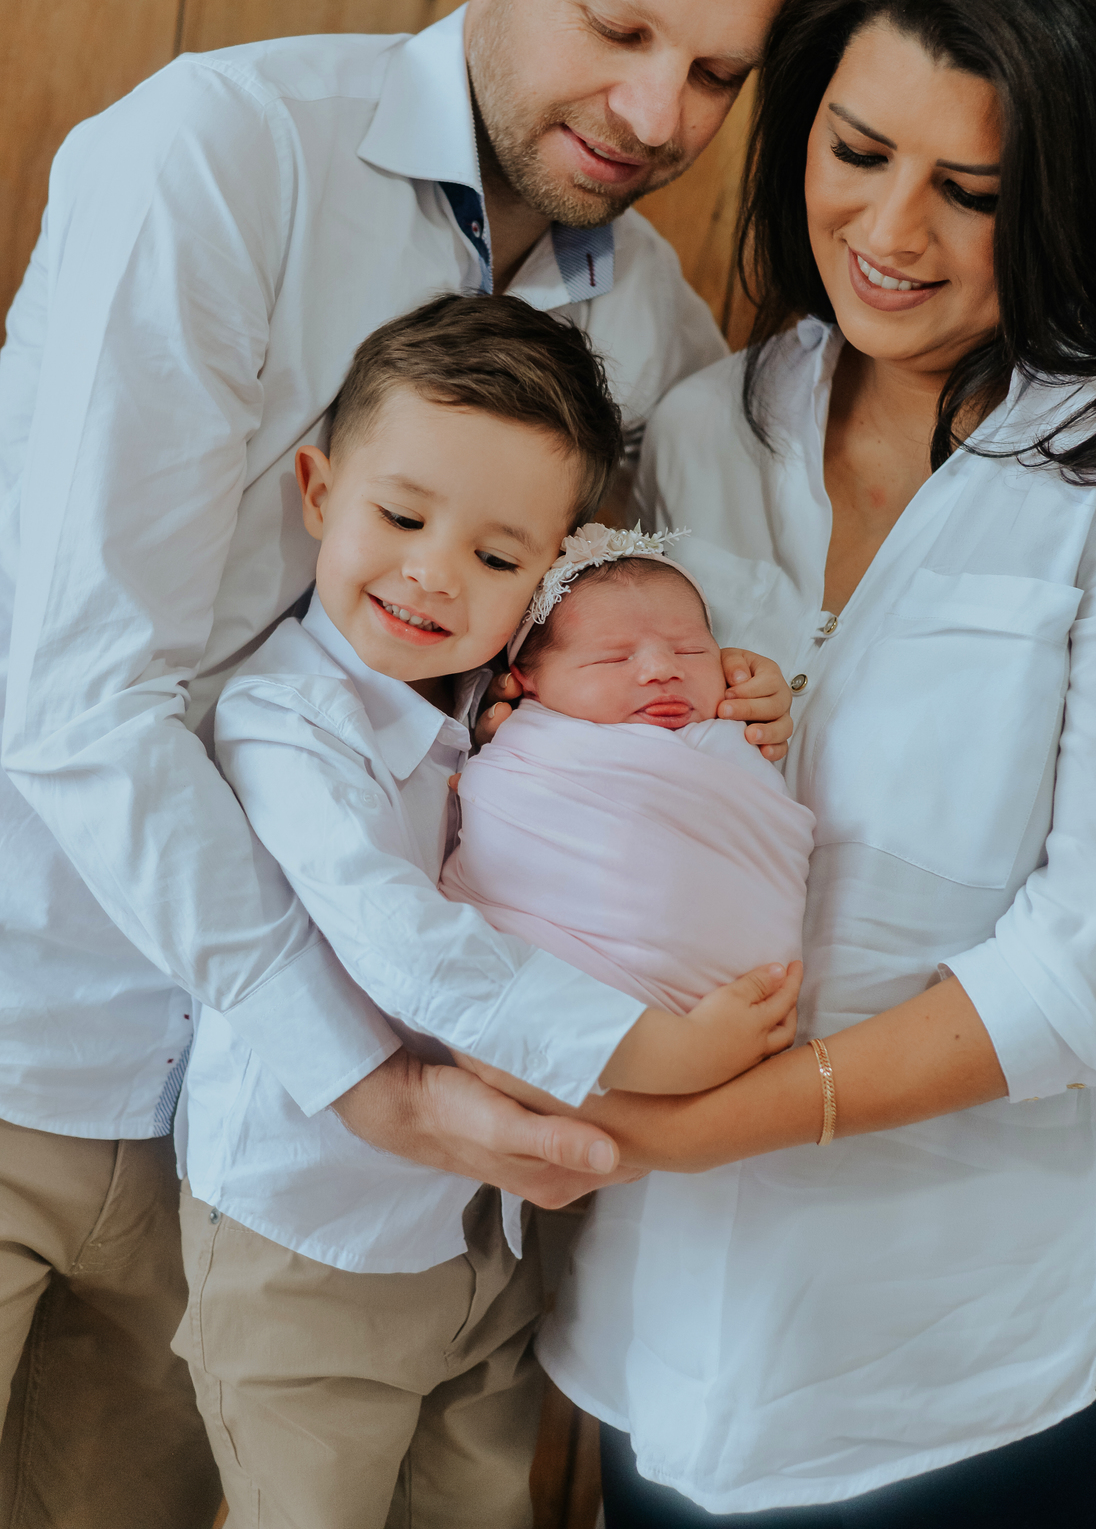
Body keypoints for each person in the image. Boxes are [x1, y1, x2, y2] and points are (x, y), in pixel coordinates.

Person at [0, 0, 834, 1520]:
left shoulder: (654, 336)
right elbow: (75, 696)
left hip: (260, 1177)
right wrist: (365, 1071)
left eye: (714, 70)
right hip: (33, 1024)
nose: (658, 113)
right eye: (618, 26)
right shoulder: (215, 159)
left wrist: (733, 686)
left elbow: (610, 670)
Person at [532, 0, 1096, 1528]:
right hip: (664, 1349)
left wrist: (714, 1122)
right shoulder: (702, 429)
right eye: (857, 150)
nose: (893, 233)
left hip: (981, 1366)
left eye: (975, 193)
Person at [181, 293, 800, 1528]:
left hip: (481, 1238)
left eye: (498, 559)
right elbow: (409, 948)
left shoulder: (500, 703)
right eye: (402, 517)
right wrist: (650, 1052)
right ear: (319, 492)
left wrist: (740, 692)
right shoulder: (287, 721)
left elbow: (638, 736)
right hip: (309, 1239)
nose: (433, 573)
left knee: (480, 1504)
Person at [442, 530, 813, 1023]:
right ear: (526, 683)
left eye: (690, 651)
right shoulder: (525, 741)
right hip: (550, 990)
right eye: (615, 658)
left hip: (738, 1003)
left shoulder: (735, 734)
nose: (662, 669)